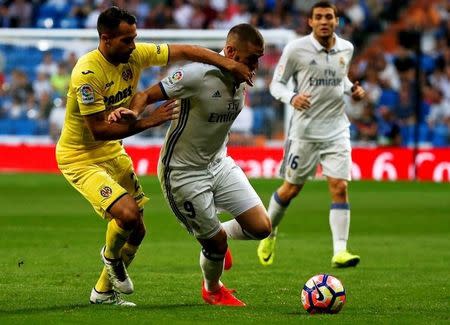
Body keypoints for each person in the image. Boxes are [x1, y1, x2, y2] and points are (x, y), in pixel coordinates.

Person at [55, 6, 255, 307]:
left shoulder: (135, 55)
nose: (133, 45)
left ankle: (103, 292)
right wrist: (149, 120)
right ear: (106, 39)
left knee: (138, 229)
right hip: (80, 156)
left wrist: (228, 64)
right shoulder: (87, 73)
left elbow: (188, 50)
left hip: (113, 153)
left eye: (134, 38)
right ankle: (110, 256)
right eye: (126, 40)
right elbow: (98, 130)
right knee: (127, 215)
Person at [109, 23, 270, 307]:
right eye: (252, 58)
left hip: (219, 163)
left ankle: (219, 235)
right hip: (183, 174)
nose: (256, 65)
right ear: (231, 52)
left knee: (261, 227)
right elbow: (145, 95)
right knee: (215, 245)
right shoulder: (197, 76)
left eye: (259, 58)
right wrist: (133, 113)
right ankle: (213, 289)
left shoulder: (242, 76)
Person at [257, 1, 365, 268]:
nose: (324, 21)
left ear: (337, 21)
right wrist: (292, 97)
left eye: (329, 16)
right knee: (291, 189)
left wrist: (353, 90)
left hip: (337, 129)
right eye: (319, 17)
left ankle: (340, 251)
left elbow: (340, 78)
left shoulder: (346, 48)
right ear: (311, 22)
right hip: (304, 132)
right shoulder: (296, 49)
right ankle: (269, 232)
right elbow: (276, 84)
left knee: (340, 187)